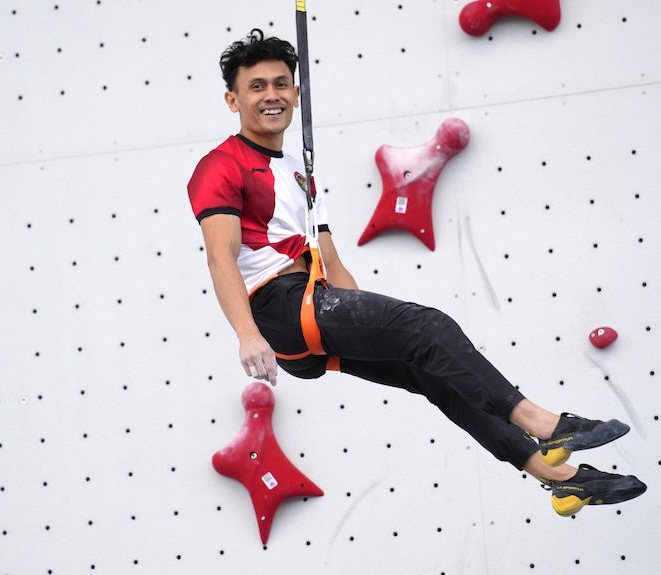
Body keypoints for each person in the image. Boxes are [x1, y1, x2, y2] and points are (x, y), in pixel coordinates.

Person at [187, 28, 646, 516]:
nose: (271, 95)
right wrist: (246, 334)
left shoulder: (299, 169)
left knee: (432, 371)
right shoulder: (220, 166)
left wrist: (365, 322)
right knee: (430, 328)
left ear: (297, 94)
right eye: (256, 86)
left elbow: (330, 257)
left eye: (281, 84)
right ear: (231, 99)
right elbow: (221, 256)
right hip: (276, 308)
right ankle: (544, 421)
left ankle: (559, 477)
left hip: (310, 305)